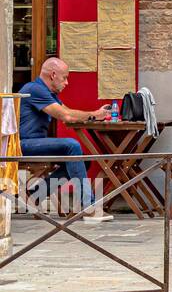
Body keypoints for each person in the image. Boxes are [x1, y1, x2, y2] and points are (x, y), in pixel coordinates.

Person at [19, 58, 113, 220]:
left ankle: (36, 195)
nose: (67, 82)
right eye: (65, 78)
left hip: (35, 143)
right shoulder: (34, 89)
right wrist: (95, 115)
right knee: (72, 146)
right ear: (53, 75)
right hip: (23, 144)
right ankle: (88, 207)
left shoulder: (47, 92)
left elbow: (67, 111)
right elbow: (67, 116)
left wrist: (94, 114)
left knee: (82, 161)